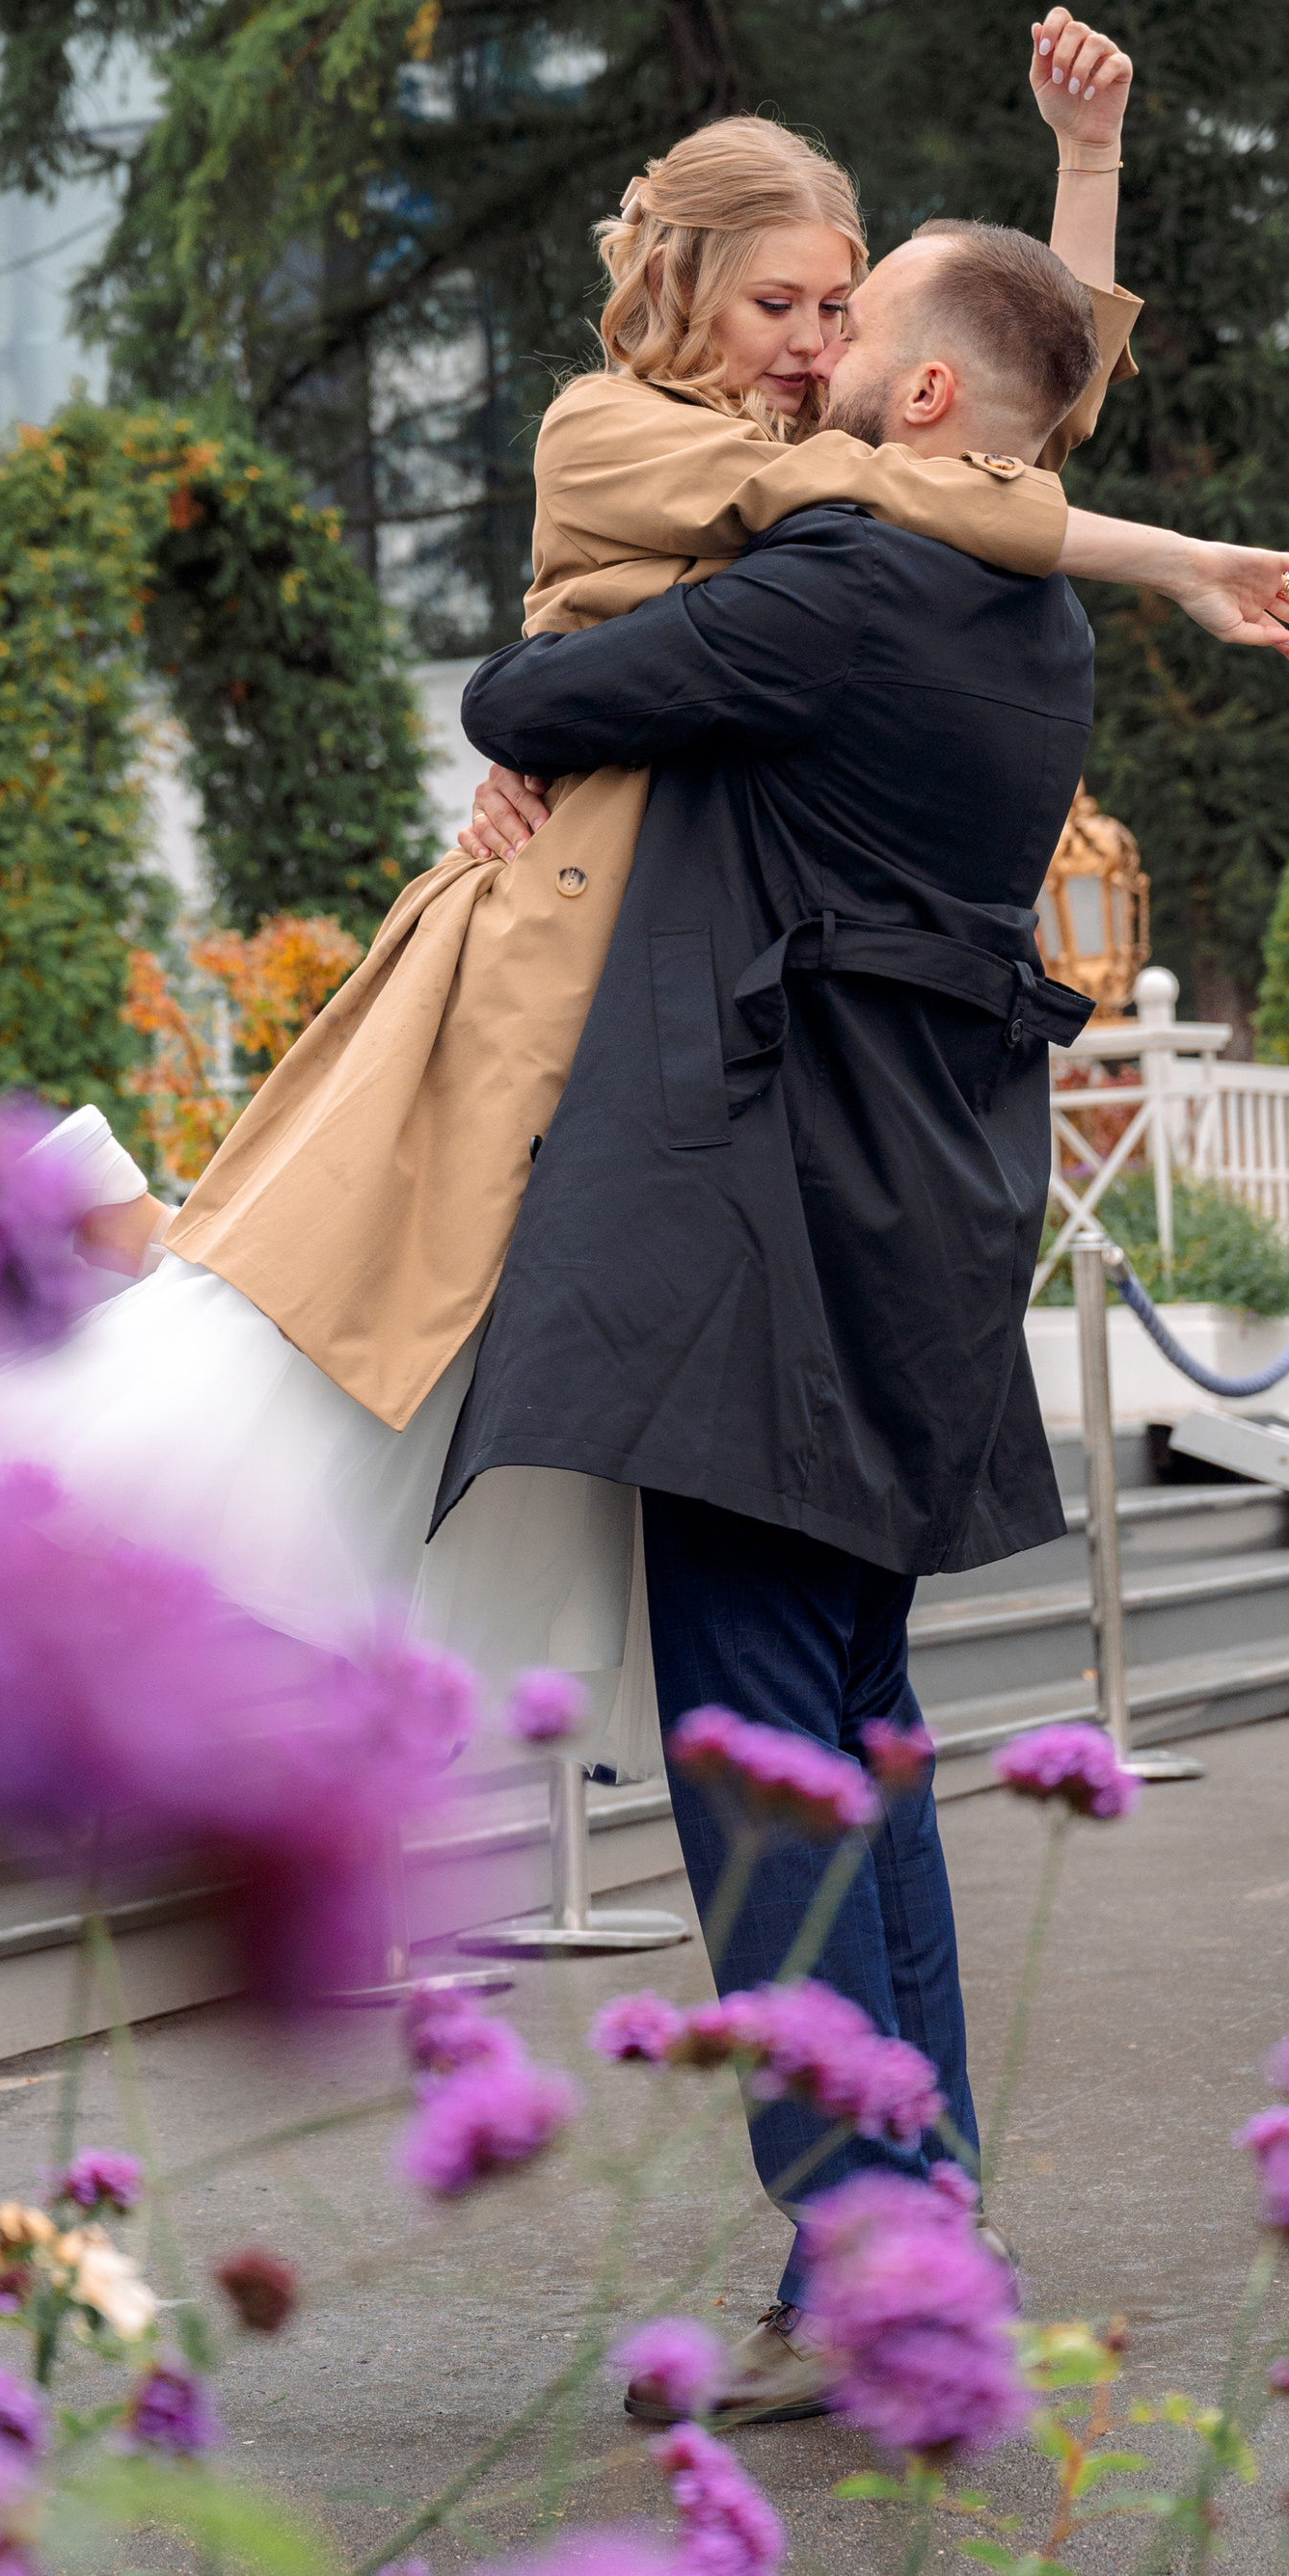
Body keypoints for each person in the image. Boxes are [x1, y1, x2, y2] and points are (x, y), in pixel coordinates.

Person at [0, 19, 1289, 1770]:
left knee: (427, 1389)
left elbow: (999, 430)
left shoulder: (857, 463)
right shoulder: (610, 427)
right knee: (307, 1345)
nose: (817, 344)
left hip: (664, 948)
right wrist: (1175, 556)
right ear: (683, 287)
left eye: (839, 309)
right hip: (547, 935)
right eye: (781, 309)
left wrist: (1086, 173)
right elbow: (924, 475)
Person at [436, 215, 1145, 2420]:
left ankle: (860, 2252)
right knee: (860, 1749)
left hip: (760, 1255)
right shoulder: (1028, 618)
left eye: (865, 325)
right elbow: (1034, 386)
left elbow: (521, 697)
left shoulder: (834, 592)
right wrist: (1075, 172)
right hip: (908, 1228)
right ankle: (923, 2223)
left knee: (761, 1766)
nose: (824, 352)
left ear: (924, 400)